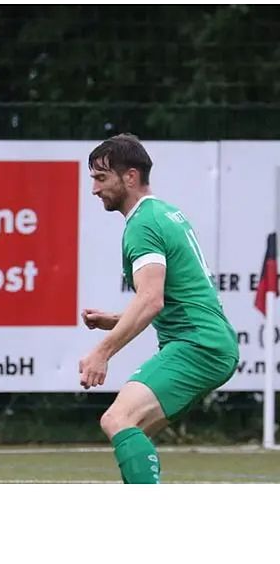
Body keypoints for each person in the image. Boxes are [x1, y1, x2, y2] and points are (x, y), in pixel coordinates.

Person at [80, 133, 239, 484]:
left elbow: (151, 300)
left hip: (197, 346)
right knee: (134, 432)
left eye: (101, 178)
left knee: (117, 419)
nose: (94, 189)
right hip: (210, 343)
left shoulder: (143, 224)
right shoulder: (166, 212)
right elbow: (170, 297)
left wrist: (101, 352)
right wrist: (117, 320)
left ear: (130, 177)